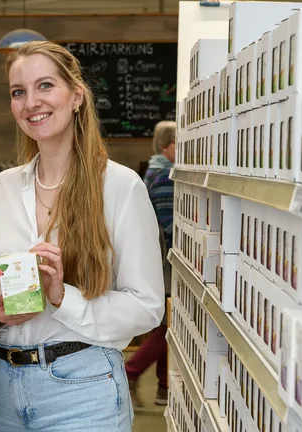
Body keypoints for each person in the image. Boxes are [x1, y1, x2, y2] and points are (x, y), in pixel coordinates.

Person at [0, 40, 165, 431]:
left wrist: (63, 298)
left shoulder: (119, 186)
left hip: (81, 387)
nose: (31, 102)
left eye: (45, 86)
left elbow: (147, 307)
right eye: (18, 92)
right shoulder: (4, 188)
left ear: (77, 96)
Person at [125, 120, 176, 407]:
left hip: (158, 259)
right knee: (168, 324)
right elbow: (170, 226)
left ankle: (164, 386)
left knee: (169, 321)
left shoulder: (154, 170)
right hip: (166, 262)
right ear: (168, 145)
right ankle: (131, 371)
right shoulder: (165, 175)